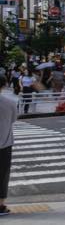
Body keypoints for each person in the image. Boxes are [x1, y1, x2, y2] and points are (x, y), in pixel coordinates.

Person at [0, 79, 15, 216]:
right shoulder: (10, 102)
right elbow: (13, 120)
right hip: (4, 143)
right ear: (3, 85)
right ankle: (0, 205)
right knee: (3, 174)